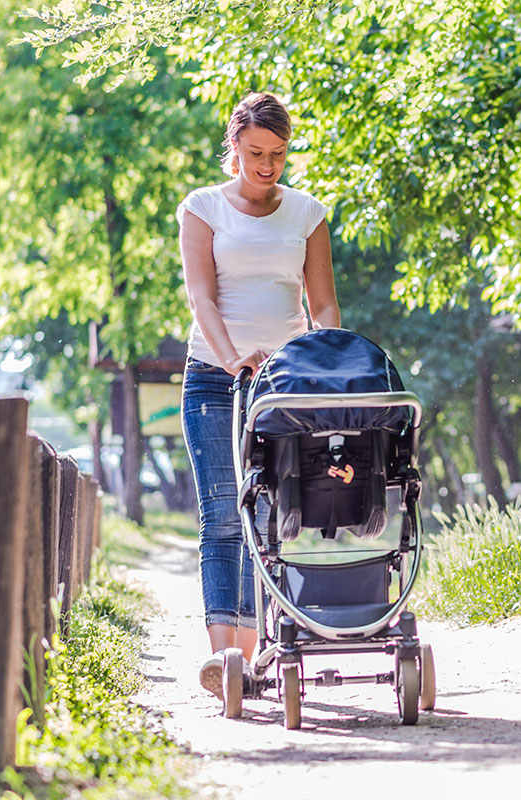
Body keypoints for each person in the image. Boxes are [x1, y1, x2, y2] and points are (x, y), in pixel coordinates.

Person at [177, 92, 340, 700]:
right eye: (254, 154)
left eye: (277, 154)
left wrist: (331, 357)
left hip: (288, 383)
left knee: (284, 514)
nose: (266, 166)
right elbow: (202, 297)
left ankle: (278, 643)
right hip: (216, 380)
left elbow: (321, 303)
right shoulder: (203, 208)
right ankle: (229, 662)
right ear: (235, 147)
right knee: (224, 516)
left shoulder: (307, 213)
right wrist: (232, 357)